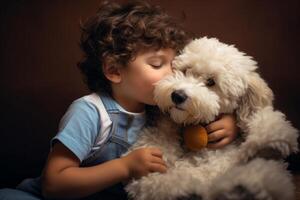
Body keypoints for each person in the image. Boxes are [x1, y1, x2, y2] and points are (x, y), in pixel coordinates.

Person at [0, 1, 239, 199]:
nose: (173, 75)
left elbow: (199, 117)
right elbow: (54, 184)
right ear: (114, 70)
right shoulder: (90, 112)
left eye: (176, 66)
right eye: (157, 64)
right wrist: (124, 167)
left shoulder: (160, 109)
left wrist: (228, 123)